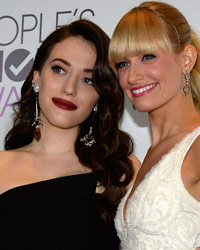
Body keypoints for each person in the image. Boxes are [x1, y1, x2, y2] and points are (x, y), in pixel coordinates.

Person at [0, 19, 139, 250]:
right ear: (37, 77)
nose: (70, 88)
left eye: (88, 79)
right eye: (59, 69)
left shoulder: (122, 171)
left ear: (100, 95)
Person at [109, 1, 200, 249]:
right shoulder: (147, 157)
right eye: (122, 64)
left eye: (148, 57)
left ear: (187, 59)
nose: (132, 76)